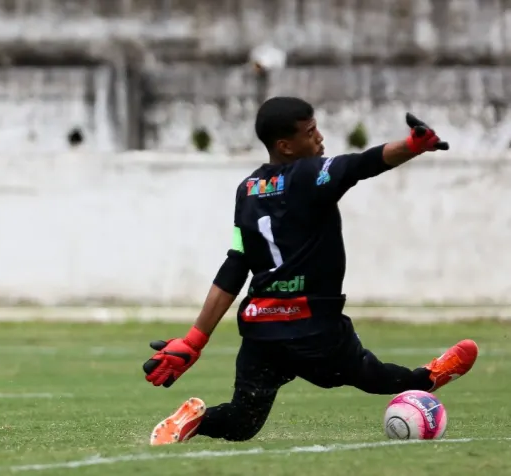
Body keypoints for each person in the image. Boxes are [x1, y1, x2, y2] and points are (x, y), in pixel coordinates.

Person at [141, 97, 479, 445]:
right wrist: (412, 146)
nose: (320, 138)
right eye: (310, 132)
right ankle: (428, 379)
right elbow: (363, 163)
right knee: (372, 374)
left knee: (242, 421)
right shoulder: (309, 173)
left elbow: (235, 263)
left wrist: (194, 340)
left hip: (261, 330)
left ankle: (193, 420)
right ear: (285, 146)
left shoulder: (247, 190)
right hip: (312, 327)